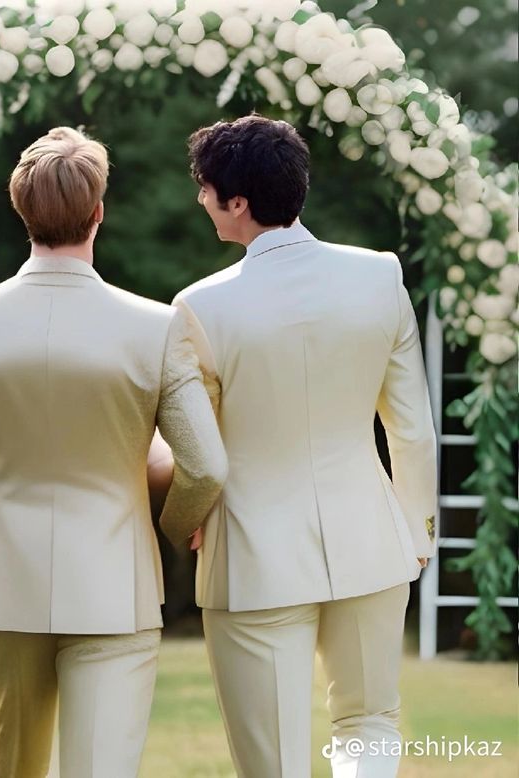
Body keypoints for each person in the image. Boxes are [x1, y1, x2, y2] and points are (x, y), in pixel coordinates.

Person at [0, 126, 228, 778]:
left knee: (14, 768)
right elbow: (203, 466)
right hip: (116, 582)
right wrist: (163, 531)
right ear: (98, 213)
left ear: (21, 211)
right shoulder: (156, 327)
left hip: (6, 583)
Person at [169, 114, 438, 777]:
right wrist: (417, 533)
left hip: (253, 557)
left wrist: (185, 520)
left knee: (273, 761)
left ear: (237, 202)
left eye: (205, 188)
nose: (201, 199)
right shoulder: (379, 276)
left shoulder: (199, 307)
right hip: (374, 543)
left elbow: (198, 455)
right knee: (370, 724)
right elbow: (411, 427)